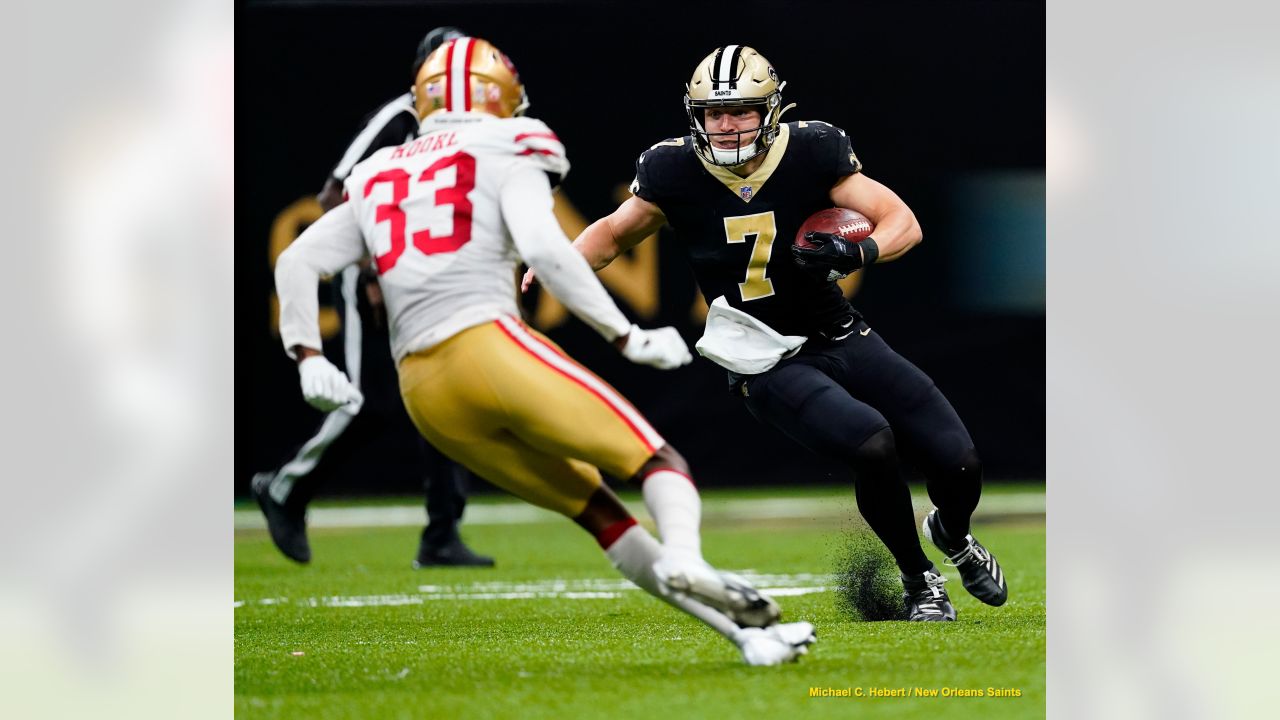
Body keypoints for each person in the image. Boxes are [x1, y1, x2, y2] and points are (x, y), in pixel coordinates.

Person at [273, 36, 817, 665]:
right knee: (657, 462)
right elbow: (546, 247)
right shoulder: (510, 141)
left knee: (602, 517)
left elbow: (296, 261)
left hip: (422, 391)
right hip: (486, 345)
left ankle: (747, 638)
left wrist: (308, 356)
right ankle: (689, 560)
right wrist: (624, 335)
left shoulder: (375, 171)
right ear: (498, 93)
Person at [524, 45, 1008, 621]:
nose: (725, 126)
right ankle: (918, 578)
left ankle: (951, 534)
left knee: (959, 461)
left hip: (837, 331)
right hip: (760, 354)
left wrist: (862, 250)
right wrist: (556, 267)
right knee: (871, 442)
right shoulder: (672, 169)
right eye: (712, 113)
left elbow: (903, 220)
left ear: (772, 110)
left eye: (741, 111)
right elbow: (611, 235)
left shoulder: (812, 149)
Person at [252, 26, 495, 568]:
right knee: (371, 400)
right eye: (444, 71)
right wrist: (371, 268)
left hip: (427, 276)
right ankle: (286, 487)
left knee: (443, 397)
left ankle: (441, 532)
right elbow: (337, 190)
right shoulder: (401, 118)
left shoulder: (477, 127)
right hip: (372, 273)